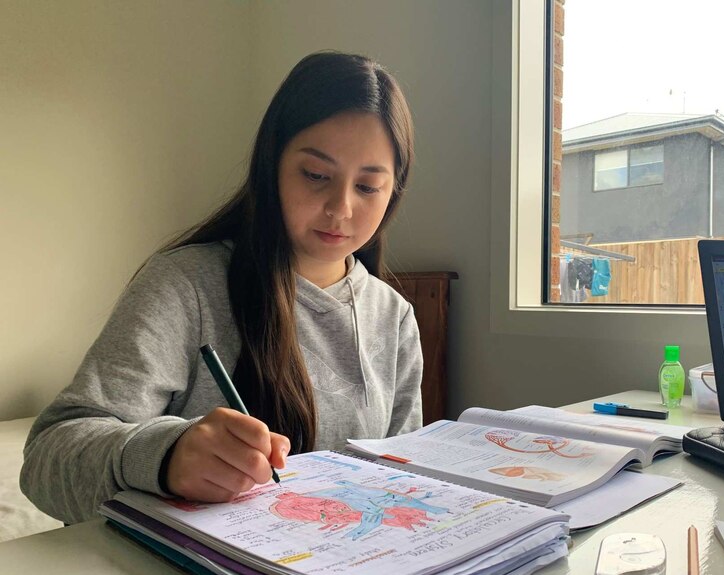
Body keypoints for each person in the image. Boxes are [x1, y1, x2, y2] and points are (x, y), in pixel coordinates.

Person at [20, 51, 423, 524]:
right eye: (316, 175)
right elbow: (48, 458)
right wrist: (166, 457)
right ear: (272, 166)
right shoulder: (187, 285)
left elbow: (399, 482)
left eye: (369, 186)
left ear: (393, 190)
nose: (341, 208)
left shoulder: (393, 318)